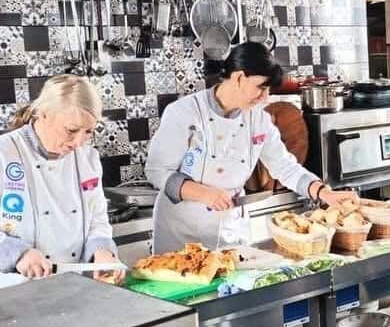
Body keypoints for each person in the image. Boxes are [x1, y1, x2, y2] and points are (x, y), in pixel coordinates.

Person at [147, 42, 355, 253]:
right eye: (261, 88)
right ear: (239, 77)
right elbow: (157, 172)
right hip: (181, 234)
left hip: (230, 230)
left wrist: (323, 192)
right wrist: (204, 194)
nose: (265, 98)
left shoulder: (258, 120)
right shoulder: (184, 112)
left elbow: (285, 167)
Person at [0, 75, 122, 288]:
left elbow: (97, 219)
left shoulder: (87, 158)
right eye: (71, 130)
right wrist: (16, 253)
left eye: (88, 132)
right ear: (43, 114)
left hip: (75, 286)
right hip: (14, 289)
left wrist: (102, 250)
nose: (79, 142)